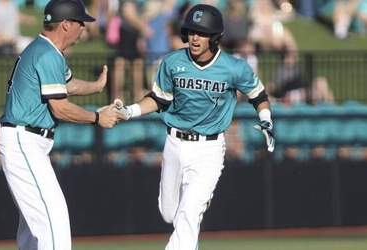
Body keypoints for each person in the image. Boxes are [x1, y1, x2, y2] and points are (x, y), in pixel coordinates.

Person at [107, 4, 275, 249]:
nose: (195, 37)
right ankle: (197, 210)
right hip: (174, 143)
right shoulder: (173, 61)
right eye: (191, 31)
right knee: (169, 213)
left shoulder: (233, 67)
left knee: (187, 212)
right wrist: (130, 110)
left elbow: (258, 96)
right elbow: (158, 98)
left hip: (209, 150)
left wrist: (266, 119)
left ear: (215, 37)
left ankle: (197, 204)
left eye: (203, 32)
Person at [0, 0, 122, 249]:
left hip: (27, 140)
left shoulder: (48, 51)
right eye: (80, 22)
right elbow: (60, 108)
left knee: (34, 230)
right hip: (24, 140)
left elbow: (70, 86)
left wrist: (97, 86)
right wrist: (98, 117)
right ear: (65, 25)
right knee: (53, 220)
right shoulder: (46, 53)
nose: (84, 27)